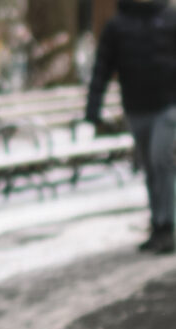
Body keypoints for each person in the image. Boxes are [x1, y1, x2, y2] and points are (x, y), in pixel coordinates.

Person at [86, 0, 176, 255]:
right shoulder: (117, 25)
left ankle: (168, 226)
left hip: (168, 106)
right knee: (148, 166)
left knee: (162, 160)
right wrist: (93, 109)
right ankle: (158, 224)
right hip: (136, 108)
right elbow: (102, 67)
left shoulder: (170, 19)